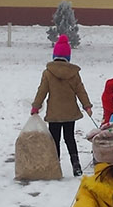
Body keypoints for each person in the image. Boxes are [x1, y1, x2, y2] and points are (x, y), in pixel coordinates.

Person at [31, 34, 93, 176]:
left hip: (54, 113)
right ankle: (76, 165)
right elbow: (80, 90)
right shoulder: (73, 73)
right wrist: (87, 105)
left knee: (55, 140)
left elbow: (42, 91)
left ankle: (55, 166)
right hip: (70, 113)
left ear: (54, 55)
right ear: (68, 57)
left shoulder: (48, 73)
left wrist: (36, 106)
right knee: (70, 138)